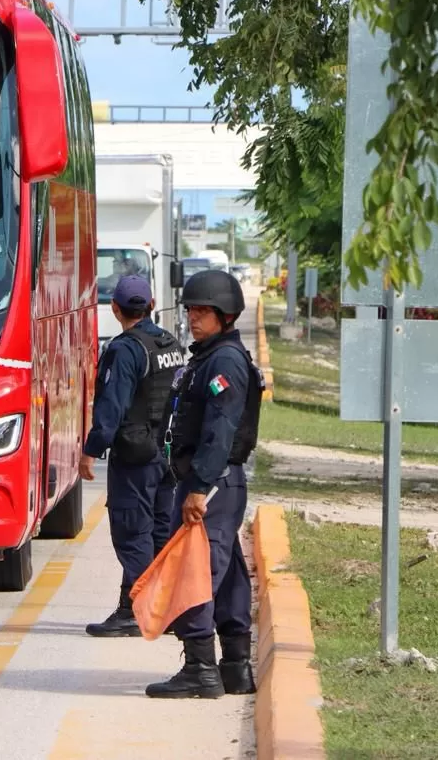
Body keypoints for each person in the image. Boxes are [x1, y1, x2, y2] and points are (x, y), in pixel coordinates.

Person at [145, 269, 264, 700]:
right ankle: (235, 668)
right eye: (191, 310)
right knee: (228, 575)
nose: (193, 318)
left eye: (202, 311)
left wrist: (197, 488)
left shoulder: (224, 361)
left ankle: (200, 669)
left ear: (225, 315)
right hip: (212, 482)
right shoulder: (208, 356)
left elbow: (220, 431)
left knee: (195, 575)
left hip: (212, 484)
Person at [78, 274, 184, 638]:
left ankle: (144, 611)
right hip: (167, 454)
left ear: (115, 308)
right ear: (151, 305)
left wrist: (91, 450)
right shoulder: (170, 343)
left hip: (135, 455)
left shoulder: (124, 349)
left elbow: (112, 405)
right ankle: (143, 609)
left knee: (132, 532)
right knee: (156, 532)